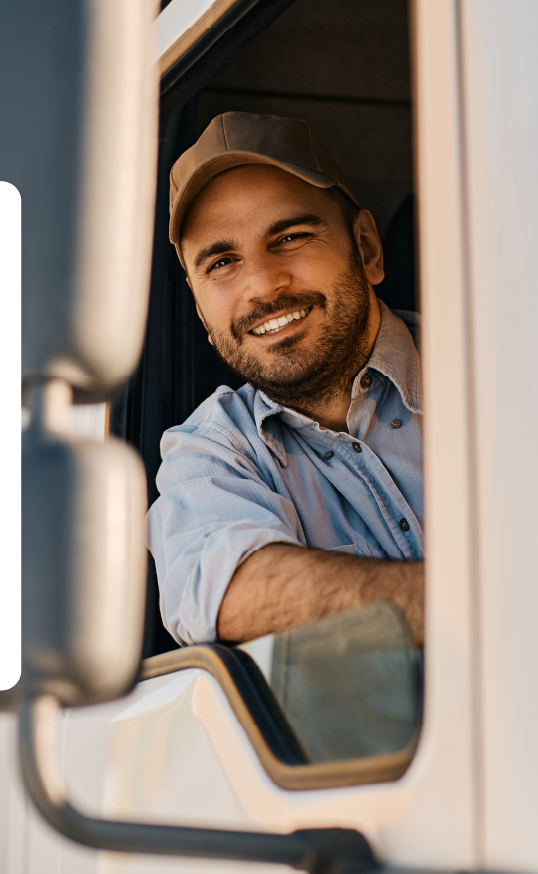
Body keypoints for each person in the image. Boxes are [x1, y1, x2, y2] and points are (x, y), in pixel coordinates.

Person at [147, 112, 424, 647]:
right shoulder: (209, 452)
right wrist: (498, 603)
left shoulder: (520, 363)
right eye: (222, 262)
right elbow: (225, 591)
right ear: (201, 311)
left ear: (365, 248)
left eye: (291, 236)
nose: (262, 287)